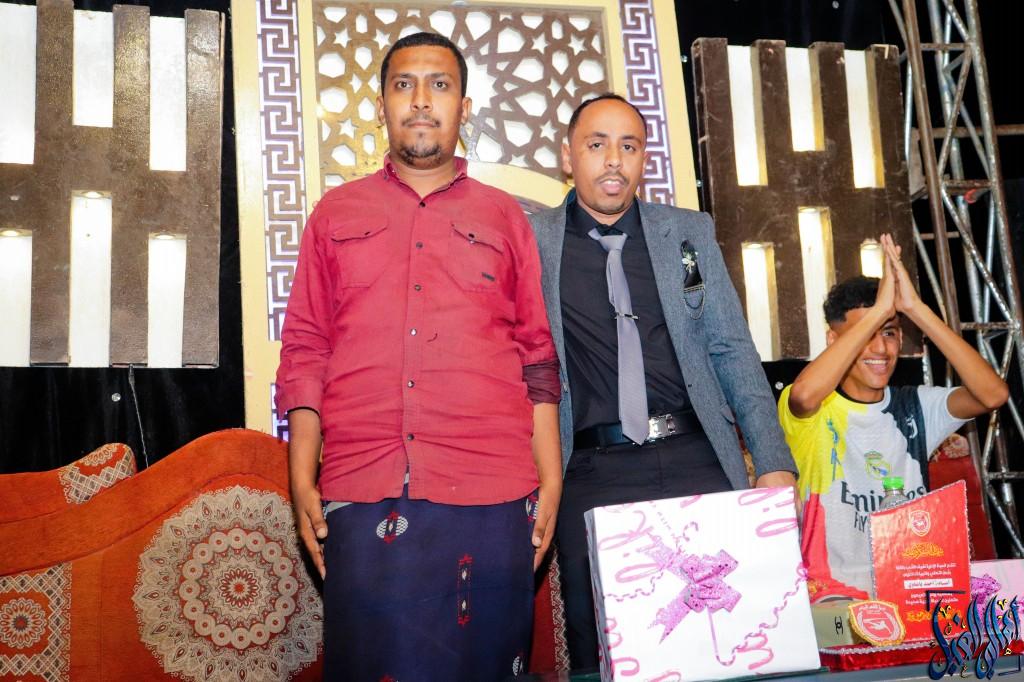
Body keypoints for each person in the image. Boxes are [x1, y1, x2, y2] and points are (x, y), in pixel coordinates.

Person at [275, 32, 562, 680]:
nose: (422, 100)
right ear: (382, 105)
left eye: (440, 85)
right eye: (404, 85)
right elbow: (306, 348)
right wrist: (301, 477)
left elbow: (537, 355)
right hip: (365, 485)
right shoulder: (334, 213)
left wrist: (551, 478)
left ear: (464, 107)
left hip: (494, 488)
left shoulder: (505, 217)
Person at [529, 93, 799, 671]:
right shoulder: (532, 240)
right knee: (603, 650)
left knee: (724, 640)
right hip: (589, 471)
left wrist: (773, 459)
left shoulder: (686, 233)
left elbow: (731, 348)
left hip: (695, 457)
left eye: (628, 146)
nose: (613, 160)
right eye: (596, 145)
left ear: (643, 158)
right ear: (568, 156)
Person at [779, 233, 1009, 602]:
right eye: (865, 335)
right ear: (834, 341)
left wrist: (916, 309)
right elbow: (804, 395)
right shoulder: (815, 408)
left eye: (889, 333)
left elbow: (993, 394)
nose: (881, 348)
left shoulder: (914, 406)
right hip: (833, 596)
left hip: (911, 591)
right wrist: (878, 312)